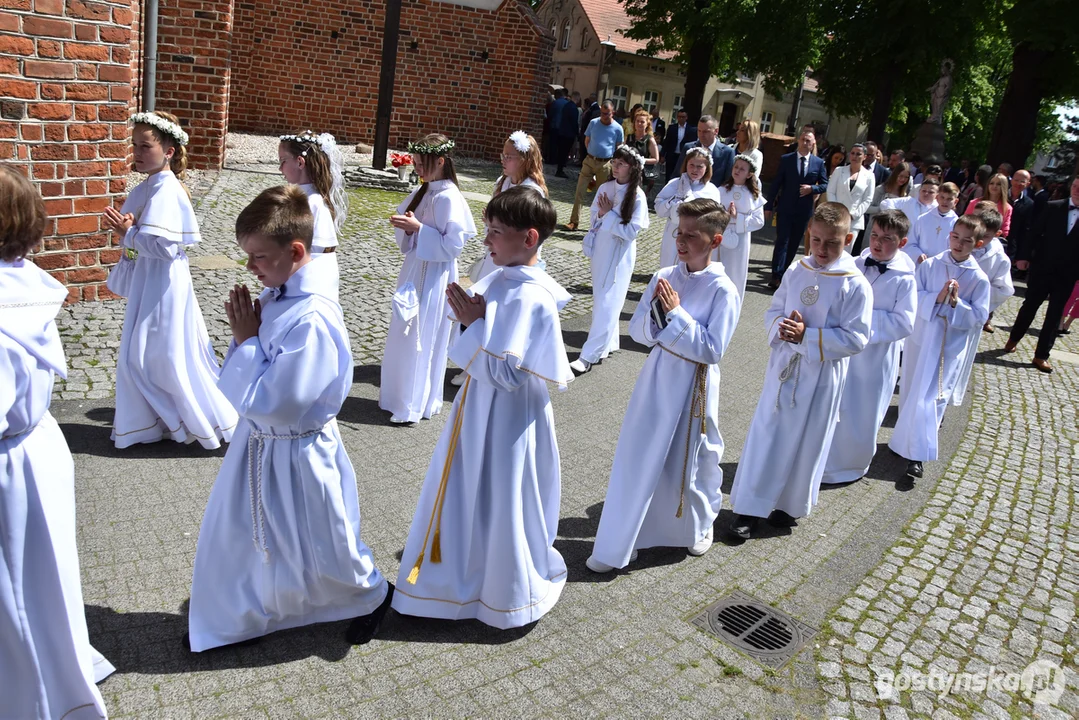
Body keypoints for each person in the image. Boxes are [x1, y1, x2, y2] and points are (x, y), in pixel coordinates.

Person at [187, 186, 391, 652]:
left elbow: (283, 401)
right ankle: (240, 615)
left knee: (325, 536)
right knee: (246, 534)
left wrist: (248, 341)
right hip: (260, 447)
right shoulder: (278, 295)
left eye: (258, 257)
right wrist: (249, 340)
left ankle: (372, 594)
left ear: (296, 251)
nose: (250, 268)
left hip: (297, 449)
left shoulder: (313, 317)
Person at [393, 187, 573, 629]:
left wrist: (474, 325)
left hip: (508, 416)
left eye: (494, 232)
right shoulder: (502, 277)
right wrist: (474, 320)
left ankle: (501, 591)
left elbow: (510, 374)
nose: (486, 240)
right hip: (479, 405)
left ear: (529, 238)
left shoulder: (531, 295)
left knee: (500, 490)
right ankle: (463, 570)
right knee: (469, 485)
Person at [1, 165, 115, 720]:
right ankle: (53, 662)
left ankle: (35, 693)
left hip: (11, 459)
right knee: (43, 576)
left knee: (20, 588)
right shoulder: (24, 283)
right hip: (36, 447)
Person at [586, 199, 740, 572]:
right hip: (657, 378)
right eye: (679, 233)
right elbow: (638, 331)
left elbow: (712, 349)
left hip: (695, 386)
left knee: (693, 457)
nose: (682, 241)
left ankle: (697, 526)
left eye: (692, 235)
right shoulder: (663, 276)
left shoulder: (725, 290)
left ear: (715, 240)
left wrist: (675, 314)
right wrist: (660, 317)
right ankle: (630, 535)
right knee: (642, 455)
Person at [728, 203, 872, 539]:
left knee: (807, 441)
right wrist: (781, 328)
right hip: (785, 369)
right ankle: (749, 508)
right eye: (817, 240)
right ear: (809, 234)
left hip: (822, 377)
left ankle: (786, 506)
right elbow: (773, 310)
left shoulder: (856, 285)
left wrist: (809, 337)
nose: (822, 250)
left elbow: (857, 338)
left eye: (832, 243)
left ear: (848, 239)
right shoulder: (796, 270)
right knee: (769, 435)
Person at [102, 111, 238, 449]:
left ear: (169, 151)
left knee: (157, 356)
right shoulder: (147, 186)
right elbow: (140, 238)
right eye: (134, 145)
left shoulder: (169, 190)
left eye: (145, 146)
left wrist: (128, 233)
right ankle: (159, 423)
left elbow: (164, 247)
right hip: (149, 279)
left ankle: (191, 420)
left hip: (164, 282)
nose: (137, 152)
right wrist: (130, 232)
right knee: (148, 355)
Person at [381, 134, 478, 423]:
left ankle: (415, 402)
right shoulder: (424, 191)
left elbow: (453, 246)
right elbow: (410, 228)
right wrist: (408, 228)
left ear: (440, 161)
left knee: (423, 332)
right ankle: (397, 395)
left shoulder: (450, 197)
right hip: (414, 268)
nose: (417, 169)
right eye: (415, 163)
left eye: (423, 164)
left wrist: (419, 229)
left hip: (436, 275)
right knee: (404, 327)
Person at [889, 215, 990, 479]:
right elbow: (913, 297)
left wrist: (957, 304)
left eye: (966, 241)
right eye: (955, 237)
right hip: (922, 339)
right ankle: (901, 443)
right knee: (910, 390)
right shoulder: (931, 265)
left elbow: (979, 316)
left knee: (934, 398)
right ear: (950, 236)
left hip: (949, 345)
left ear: (977, 244)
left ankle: (918, 456)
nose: (959, 243)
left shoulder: (979, 279)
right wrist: (937, 297)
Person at [821, 210, 917, 485]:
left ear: (902, 243)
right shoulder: (856, 263)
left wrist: (862, 320)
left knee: (863, 409)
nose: (877, 243)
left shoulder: (905, 278)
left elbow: (903, 322)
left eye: (886, 239)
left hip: (876, 355)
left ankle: (850, 464)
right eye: (874, 235)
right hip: (845, 348)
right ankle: (823, 458)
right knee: (836, 403)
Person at [570, 144, 649, 374]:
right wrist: (601, 215)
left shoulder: (638, 197)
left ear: (632, 168)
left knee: (608, 301)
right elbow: (595, 214)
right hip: (602, 250)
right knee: (602, 297)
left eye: (621, 164)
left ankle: (589, 355)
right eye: (614, 162)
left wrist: (609, 215)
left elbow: (631, 232)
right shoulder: (605, 186)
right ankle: (609, 342)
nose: (615, 166)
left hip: (619, 255)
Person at [1004, 176, 1079, 374]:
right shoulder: (1053, 206)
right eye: (1075, 186)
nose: (1077, 190)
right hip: (1042, 267)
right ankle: (1013, 338)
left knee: (1055, 314)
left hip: (1068, 273)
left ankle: (1041, 355)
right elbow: (1034, 233)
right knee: (1030, 305)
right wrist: (1024, 257)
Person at [950, 204, 1012, 407]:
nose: (981, 239)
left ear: (996, 234)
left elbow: (1004, 289)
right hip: (946, 308)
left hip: (969, 313)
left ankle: (946, 399)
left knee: (957, 360)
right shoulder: (962, 244)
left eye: (987, 235)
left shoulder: (999, 258)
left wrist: (977, 297)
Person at [467, 131, 548, 285]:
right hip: (497, 250)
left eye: (509, 157)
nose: (503, 160)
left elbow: (527, 229)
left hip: (515, 256)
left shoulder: (531, 191)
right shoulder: (502, 182)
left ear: (524, 160)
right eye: (502, 155)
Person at [277, 130, 348, 301]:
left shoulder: (312, 203)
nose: (280, 168)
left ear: (300, 162)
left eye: (283, 161)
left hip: (306, 285)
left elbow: (315, 253)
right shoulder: (302, 198)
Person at [764, 127, 829, 288]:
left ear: (813, 143)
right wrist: (769, 205)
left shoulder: (818, 163)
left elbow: (824, 184)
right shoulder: (787, 159)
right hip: (785, 207)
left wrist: (812, 189)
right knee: (782, 241)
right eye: (803, 139)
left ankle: (785, 274)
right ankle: (776, 275)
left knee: (793, 243)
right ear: (798, 141)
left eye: (809, 140)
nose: (805, 142)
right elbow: (776, 183)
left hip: (803, 210)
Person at [655, 147, 720, 268]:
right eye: (691, 165)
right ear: (686, 165)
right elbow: (659, 209)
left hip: (695, 236)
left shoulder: (711, 190)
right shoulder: (674, 183)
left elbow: (713, 219)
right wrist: (674, 200)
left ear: (706, 169)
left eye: (700, 166)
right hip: (673, 232)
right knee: (669, 265)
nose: (695, 170)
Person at [566, 101, 624, 231]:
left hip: (605, 163)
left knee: (602, 195)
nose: (604, 116)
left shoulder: (617, 128)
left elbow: (618, 147)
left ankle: (599, 223)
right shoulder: (593, 123)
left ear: (612, 113)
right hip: (589, 160)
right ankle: (573, 222)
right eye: (602, 113)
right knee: (579, 191)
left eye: (607, 114)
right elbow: (587, 141)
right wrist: (592, 154)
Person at [717, 154, 766, 301]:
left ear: (750, 174)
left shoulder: (753, 195)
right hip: (721, 232)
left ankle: (732, 301)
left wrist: (737, 217)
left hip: (740, 237)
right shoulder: (722, 189)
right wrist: (723, 214)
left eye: (742, 169)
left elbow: (759, 221)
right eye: (736, 167)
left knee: (735, 271)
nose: (737, 170)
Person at [826, 144, 876, 253]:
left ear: (864, 157)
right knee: (830, 248)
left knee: (845, 252)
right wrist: (837, 211)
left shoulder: (869, 176)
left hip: (854, 220)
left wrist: (854, 214)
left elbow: (868, 199)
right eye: (852, 153)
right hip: (836, 216)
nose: (855, 156)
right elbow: (830, 191)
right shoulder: (839, 171)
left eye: (858, 154)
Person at [907, 182, 959, 263]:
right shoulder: (923, 219)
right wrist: (917, 254)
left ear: (955, 201)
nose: (945, 201)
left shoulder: (957, 223)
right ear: (937, 198)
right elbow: (911, 242)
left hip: (943, 265)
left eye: (949, 199)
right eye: (942, 197)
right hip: (922, 264)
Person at [682, 115, 735, 191]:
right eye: (699, 131)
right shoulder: (689, 148)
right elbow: (678, 173)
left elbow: (728, 180)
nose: (701, 135)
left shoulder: (727, 152)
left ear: (716, 131)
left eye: (706, 132)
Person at [965, 172, 1012, 238]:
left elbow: (1005, 231)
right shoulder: (974, 202)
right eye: (991, 183)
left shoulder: (1007, 208)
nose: (994, 186)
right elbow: (965, 221)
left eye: (998, 184)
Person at [625, 107, 660, 196]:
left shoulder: (650, 139)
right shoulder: (629, 137)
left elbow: (656, 159)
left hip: (642, 175)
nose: (639, 124)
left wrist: (642, 160)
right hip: (627, 173)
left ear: (647, 124)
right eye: (637, 121)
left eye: (642, 122)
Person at [661, 109, 696, 182]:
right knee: (669, 174)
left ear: (686, 117)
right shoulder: (672, 128)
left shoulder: (692, 129)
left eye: (683, 117)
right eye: (679, 117)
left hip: (683, 156)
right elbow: (667, 142)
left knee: (681, 174)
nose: (681, 118)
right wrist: (663, 155)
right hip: (672, 155)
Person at [555, 90, 580, 178]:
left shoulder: (566, 106)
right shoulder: (574, 108)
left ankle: (559, 168)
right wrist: (577, 133)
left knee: (562, 152)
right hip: (569, 134)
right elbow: (574, 122)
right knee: (564, 152)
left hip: (562, 132)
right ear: (577, 98)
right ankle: (560, 170)